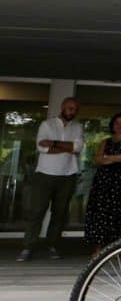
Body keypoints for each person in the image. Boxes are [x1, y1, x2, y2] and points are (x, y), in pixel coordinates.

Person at [17, 96, 84, 262]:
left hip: (68, 174)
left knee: (59, 213)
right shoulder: (47, 124)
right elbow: (41, 147)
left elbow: (77, 148)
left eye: (75, 109)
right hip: (45, 174)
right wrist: (66, 146)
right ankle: (28, 247)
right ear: (62, 107)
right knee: (37, 211)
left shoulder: (78, 127)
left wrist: (53, 144)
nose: (72, 112)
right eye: (70, 108)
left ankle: (52, 245)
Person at [83, 112, 121, 255]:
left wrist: (107, 157)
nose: (119, 126)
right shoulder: (105, 141)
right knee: (100, 215)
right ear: (112, 125)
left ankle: (118, 249)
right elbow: (97, 159)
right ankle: (98, 249)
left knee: (120, 215)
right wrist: (114, 158)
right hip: (103, 183)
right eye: (116, 123)